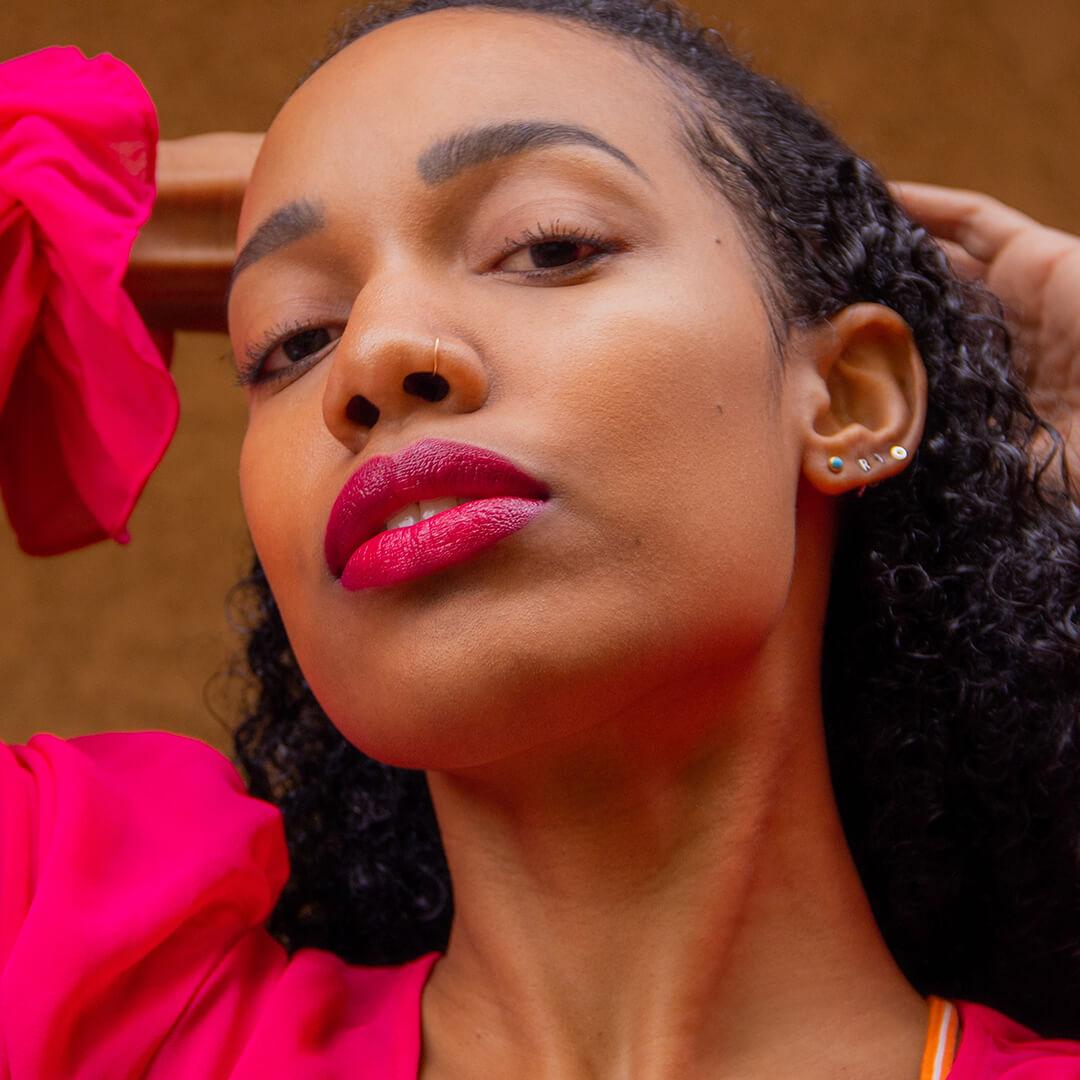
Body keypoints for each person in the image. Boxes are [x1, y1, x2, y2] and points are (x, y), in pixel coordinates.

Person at [2, 0, 1080, 1076]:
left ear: (849, 395)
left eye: (548, 246)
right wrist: (75, 208)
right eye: (294, 340)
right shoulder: (93, 986)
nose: (372, 356)